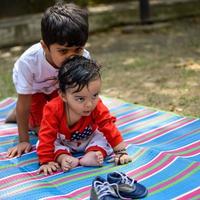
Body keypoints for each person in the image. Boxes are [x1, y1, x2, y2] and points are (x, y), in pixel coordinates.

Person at [6, 2, 90, 158]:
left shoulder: (84, 57)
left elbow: (83, 92)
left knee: (64, 122)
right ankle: (18, 116)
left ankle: (20, 115)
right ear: (45, 47)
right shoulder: (28, 63)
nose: (72, 57)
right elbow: (24, 103)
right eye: (63, 51)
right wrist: (23, 140)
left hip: (58, 88)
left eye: (78, 49)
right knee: (43, 128)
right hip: (35, 90)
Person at [37, 56, 132, 175]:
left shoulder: (97, 106)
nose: (89, 104)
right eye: (80, 99)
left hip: (89, 139)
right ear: (63, 96)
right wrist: (46, 161)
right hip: (64, 141)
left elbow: (108, 126)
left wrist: (121, 152)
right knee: (45, 143)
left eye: (95, 95)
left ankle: (93, 155)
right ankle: (64, 158)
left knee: (103, 138)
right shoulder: (53, 108)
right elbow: (47, 134)